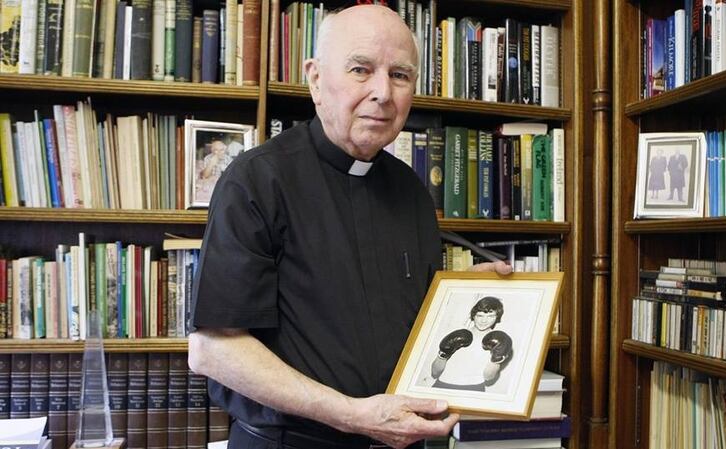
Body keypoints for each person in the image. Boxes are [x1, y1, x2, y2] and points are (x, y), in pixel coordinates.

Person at [187, 5, 512, 449]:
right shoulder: (256, 180)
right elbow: (214, 350)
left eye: (400, 75)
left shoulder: (411, 191)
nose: (383, 92)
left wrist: (455, 296)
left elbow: (394, 318)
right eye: (362, 69)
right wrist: (354, 416)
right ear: (316, 79)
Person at [430, 297, 512, 391]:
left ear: (497, 317)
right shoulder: (458, 333)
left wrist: (496, 360)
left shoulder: (497, 341)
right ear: (473, 316)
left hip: (473, 388)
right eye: (480, 316)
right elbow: (435, 373)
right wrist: (443, 354)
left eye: (490, 316)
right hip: (442, 385)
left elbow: (488, 377)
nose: (484, 321)